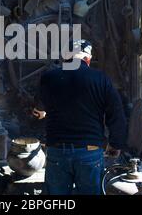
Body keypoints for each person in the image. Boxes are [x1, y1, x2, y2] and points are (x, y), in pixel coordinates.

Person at [32, 39, 127, 195]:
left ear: (65, 57)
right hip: (89, 152)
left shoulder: (49, 77)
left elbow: (39, 109)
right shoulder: (101, 79)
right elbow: (116, 115)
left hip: (57, 151)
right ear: (88, 59)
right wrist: (115, 144)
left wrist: (42, 111)